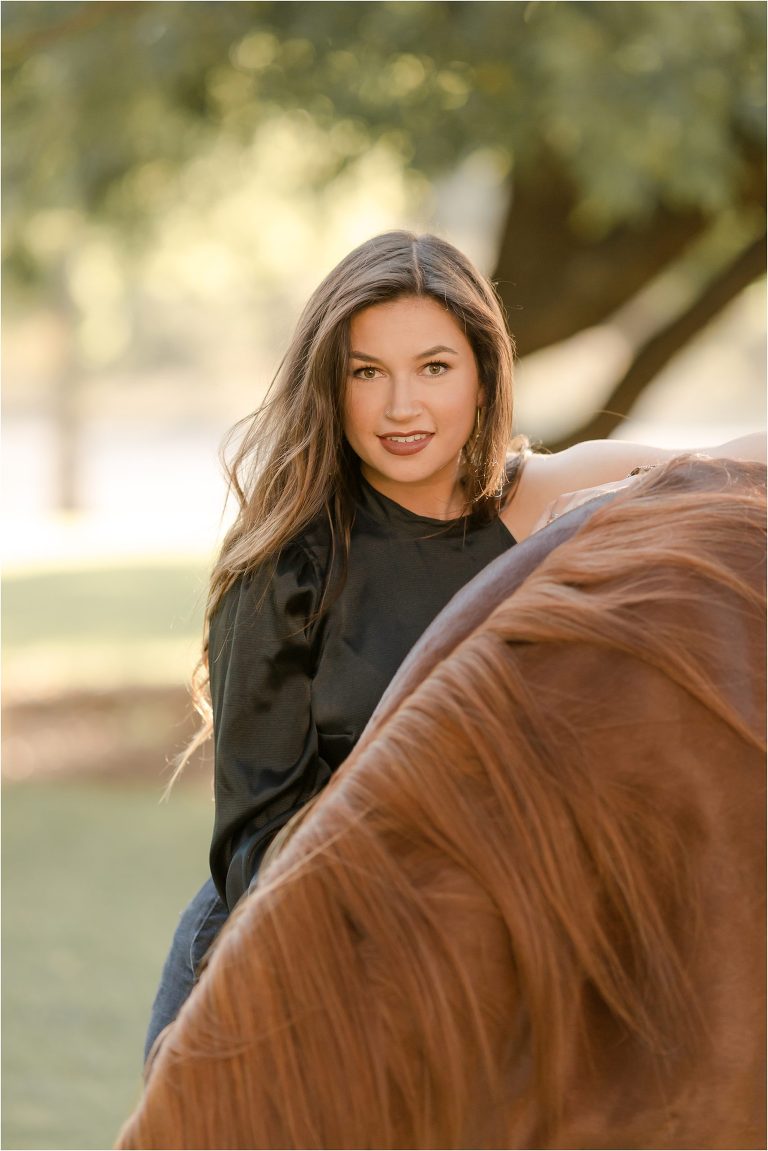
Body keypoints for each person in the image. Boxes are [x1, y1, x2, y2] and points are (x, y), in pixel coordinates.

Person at [144, 230, 764, 1061]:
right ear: (332, 386)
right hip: (292, 966)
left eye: (435, 367)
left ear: (482, 375)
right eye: (369, 372)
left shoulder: (546, 504)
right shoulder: (284, 574)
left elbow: (736, 467)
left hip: (496, 958)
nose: (403, 408)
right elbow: (259, 850)